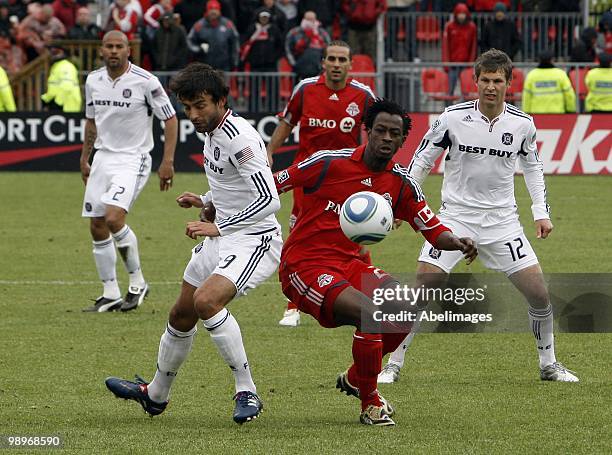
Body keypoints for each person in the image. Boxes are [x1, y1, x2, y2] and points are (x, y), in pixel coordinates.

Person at [378, 49, 579, 384]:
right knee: (423, 288)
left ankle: (549, 364)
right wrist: (403, 203)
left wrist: (540, 212)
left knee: (539, 294)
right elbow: (422, 160)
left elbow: (532, 167)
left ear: (508, 83)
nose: (490, 87)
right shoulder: (452, 118)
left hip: (503, 223)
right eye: (484, 80)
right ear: (475, 81)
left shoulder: (522, 124)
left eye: (497, 80)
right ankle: (393, 364)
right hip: (454, 219)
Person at [275, 98, 477, 425]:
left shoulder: (400, 183)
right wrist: (218, 208)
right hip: (304, 265)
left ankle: (358, 377)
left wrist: (455, 241)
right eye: (380, 130)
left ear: (401, 140)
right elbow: (274, 183)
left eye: (394, 134)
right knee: (370, 313)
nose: (386, 138)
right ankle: (370, 402)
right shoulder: (327, 163)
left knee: (405, 308)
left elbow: (432, 227)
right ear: (366, 131)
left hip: (350, 264)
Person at [105, 62, 283, 425]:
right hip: (225, 233)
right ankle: (155, 395)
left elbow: (270, 199)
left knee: (206, 302)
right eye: (187, 107)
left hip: (255, 239)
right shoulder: (213, 133)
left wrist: (220, 226)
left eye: (200, 105)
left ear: (221, 100)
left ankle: (246, 389)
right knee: (180, 314)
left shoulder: (239, 137)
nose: (193, 115)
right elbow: (233, 187)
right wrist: (205, 200)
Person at [267, 40, 375, 326]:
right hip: (307, 180)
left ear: (351, 65)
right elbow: (287, 122)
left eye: (342, 60)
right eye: (332, 59)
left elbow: (379, 132)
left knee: (357, 234)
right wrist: (268, 152)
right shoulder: (305, 89)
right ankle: (293, 306)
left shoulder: (363, 95)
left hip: (347, 180)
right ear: (323, 63)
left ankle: (370, 285)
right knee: (299, 236)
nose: (337, 65)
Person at [80, 31, 178, 313]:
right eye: (109, 46)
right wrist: (85, 158)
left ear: (128, 50)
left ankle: (137, 283)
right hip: (103, 157)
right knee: (97, 223)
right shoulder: (93, 80)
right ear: (101, 51)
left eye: (119, 46)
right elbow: (91, 121)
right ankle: (110, 291)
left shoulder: (146, 81)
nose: (114, 51)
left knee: (113, 217)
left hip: (133, 159)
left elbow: (170, 120)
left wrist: (167, 161)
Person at [186, 0, 239, 71]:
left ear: (219, 11)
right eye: (211, 9)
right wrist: (198, 49)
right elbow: (189, 41)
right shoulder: (199, 25)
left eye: (216, 9)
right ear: (207, 11)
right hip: (204, 66)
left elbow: (235, 42)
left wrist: (234, 61)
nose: (213, 12)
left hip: (224, 65)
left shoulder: (228, 24)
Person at [521, 50, 575, 114]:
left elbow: (526, 96)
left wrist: (526, 113)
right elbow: (569, 95)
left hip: (536, 114)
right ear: (552, 60)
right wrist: (571, 110)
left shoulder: (531, 75)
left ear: (539, 60)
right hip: (558, 114)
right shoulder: (561, 74)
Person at [441, 2, 477, 97]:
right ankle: (447, 110)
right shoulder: (449, 26)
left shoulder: (472, 27)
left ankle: (465, 111)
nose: (461, 16)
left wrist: (470, 64)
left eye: (463, 14)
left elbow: (473, 47)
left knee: (466, 92)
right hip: (452, 65)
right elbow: (445, 46)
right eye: (460, 14)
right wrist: (446, 64)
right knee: (449, 92)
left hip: (465, 65)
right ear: (456, 14)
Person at [285, 10, 330, 80]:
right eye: (308, 19)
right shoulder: (294, 32)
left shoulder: (322, 33)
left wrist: (322, 65)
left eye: (312, 19)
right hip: (299, 71)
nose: (310, 22)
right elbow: (287, 49)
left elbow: (328, 50)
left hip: (317, 70)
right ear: (303, 19)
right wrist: (294, 64)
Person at [41, 44, 81, 112]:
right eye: (51, 52)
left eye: (56, 52)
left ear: (63, 52)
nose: (52, 54)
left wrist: (57, 103)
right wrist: (46, 99)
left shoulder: (66, 66)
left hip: (67, 107)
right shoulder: (56, 66)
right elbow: (54, 89)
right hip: (61, 106)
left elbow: (67, 86)